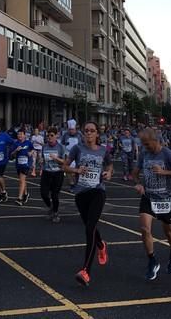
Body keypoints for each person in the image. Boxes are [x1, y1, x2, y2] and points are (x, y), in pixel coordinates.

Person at [131, 127, 171, 281]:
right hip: (148, 196)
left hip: (165, 199)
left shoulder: (168, 155)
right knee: (144, 229)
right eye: (143, 144)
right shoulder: (144, 154)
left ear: (156, 141)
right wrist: (137, 184)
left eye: (147, 144)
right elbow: (135, 173)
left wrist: (165, 172)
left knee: (169, 231)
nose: (145, 147)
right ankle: (152, 261)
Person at [65, 121, 113, 287]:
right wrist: (76, 171)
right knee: (89, 226)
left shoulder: (103, 150)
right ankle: (101, 244)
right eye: (86, 131)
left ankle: (85, 271)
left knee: (89, 228)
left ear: (97, 134)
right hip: (81, 194)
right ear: (83, 133)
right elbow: (65, 166)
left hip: (98, 192)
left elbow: (109, 164)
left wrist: (108, 173)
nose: (89, 133)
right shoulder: (77, 149)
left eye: (92, 131)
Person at [40, 127, 66, 223]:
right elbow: (42, 159)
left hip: (57, 173)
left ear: (56, 136)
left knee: (55, 195)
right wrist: (41, 161)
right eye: (48, 136)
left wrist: (56, 158)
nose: (49, 137)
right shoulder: (44, 147)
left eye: (52, 135)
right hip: (46, 172)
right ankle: (51, 206)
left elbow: (65, 162)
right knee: (43, 194)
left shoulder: (61, 147)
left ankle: (55, 212)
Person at [61, 119, 84, 191]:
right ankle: (72, 183)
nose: (71, 131)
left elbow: (83, 143)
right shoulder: (65, 134)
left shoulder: (79, 134)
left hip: (78, 155)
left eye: (72, 129)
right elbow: (62, 143)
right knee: (67, 169)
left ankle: (77, 184)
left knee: (77, 170)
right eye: (70, 129)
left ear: (75, 129)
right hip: (68, 154)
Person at [11, 128, 33, 206]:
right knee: (23, 180)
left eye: (21, 134)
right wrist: (16, 150)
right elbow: (12, 155)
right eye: (18, 134)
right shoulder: (15, 143)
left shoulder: (28, 143)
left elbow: (33, 150)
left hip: (26, 164)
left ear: (24, 135)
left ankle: (19, 198)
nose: (19, 135)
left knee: (21, 180)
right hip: (18, 164)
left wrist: (31, 153)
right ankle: (26, 193)